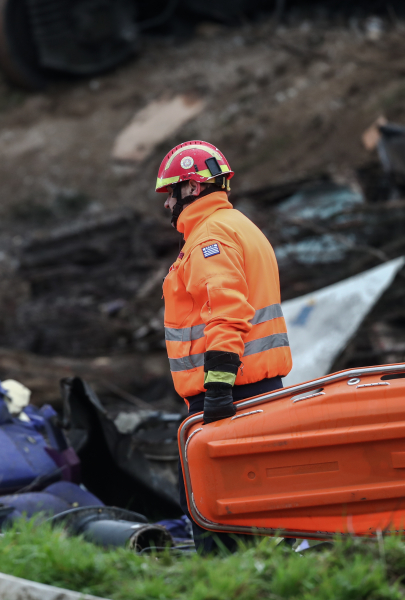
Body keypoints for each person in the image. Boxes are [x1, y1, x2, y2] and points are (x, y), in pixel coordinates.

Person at [155, 140, 293, 554]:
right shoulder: (240, 227)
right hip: (258, 389)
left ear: (193, 188)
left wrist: (217, 389)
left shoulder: (209, 238)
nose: (168, 205)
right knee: (259, 502)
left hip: (230, 396)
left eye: (172, 192)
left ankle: (226, 586)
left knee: (212, 506)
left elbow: (227, 313)